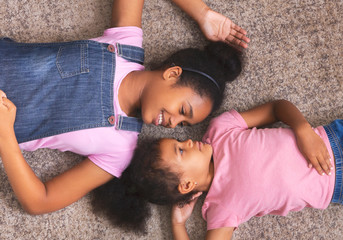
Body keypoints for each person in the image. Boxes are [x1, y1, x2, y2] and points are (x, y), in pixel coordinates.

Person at [0, 0, 249, 215]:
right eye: (182, 111)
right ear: (173, 74)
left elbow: (40, 201)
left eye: (183, 124)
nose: (173, 124)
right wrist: (202, 13)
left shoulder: (120, 149)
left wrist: (5, 135)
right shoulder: (124, 46)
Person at [114, 99, 341, 238]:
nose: (188, 141)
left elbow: (276, 108)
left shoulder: (220, 130)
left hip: (332, 138)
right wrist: (177, 224)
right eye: (181, 151)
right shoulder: (221, 208)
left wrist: (302, 129)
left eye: (178, 141)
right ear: (187, 185)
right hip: (336, 183)